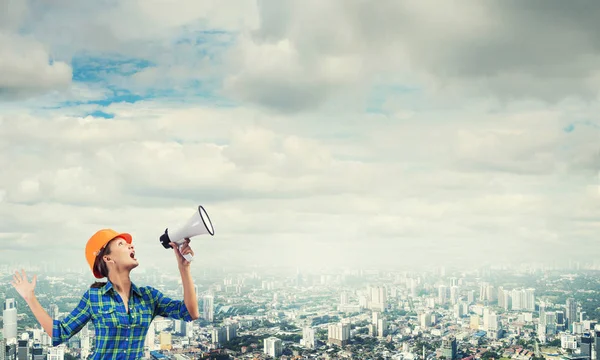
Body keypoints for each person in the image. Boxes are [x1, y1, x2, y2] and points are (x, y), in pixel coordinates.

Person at [11, 228, 200, 359]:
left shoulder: (149, 297)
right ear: (107, 258)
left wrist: (184, 267)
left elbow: (190, 313)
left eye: (130, 244)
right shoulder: (94, 298)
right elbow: (59, 332)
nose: (131, 247)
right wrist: (30, 297)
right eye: (122, 244)